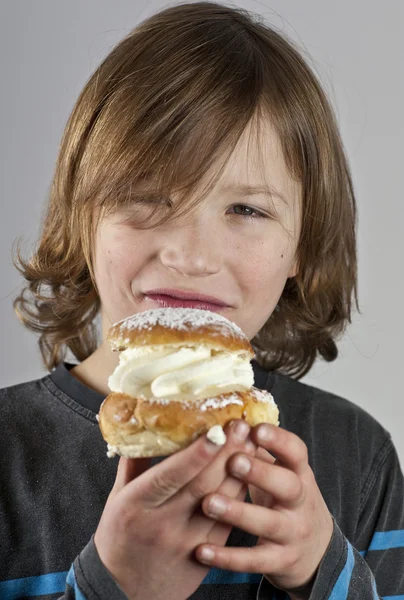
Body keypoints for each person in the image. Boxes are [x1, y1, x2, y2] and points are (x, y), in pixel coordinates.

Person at [1, 2, 403, 599]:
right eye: (145, 196)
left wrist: (325, 568)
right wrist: (113, 588)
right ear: (82, 217)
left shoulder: (357, 456)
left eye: (246, 209)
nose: (191, 255)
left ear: (301, 246)